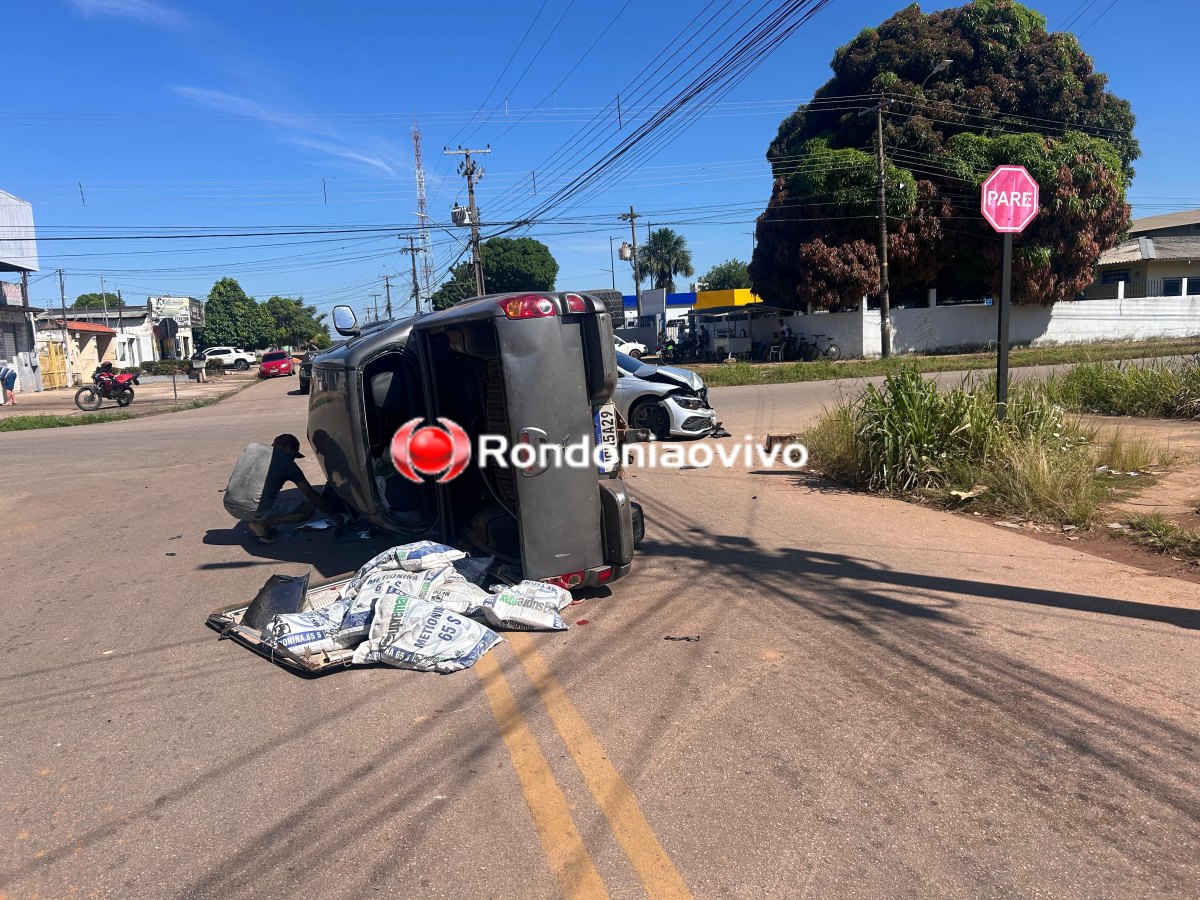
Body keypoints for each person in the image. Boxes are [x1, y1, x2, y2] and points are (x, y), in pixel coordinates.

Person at [223, 433, 335, 544]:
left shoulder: (252, 448)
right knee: (308, 508)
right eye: (294, 454)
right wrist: (334, 515)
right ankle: (262, 524)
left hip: (229, 504)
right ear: (288, 447)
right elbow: (312, 496)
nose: (293, 459)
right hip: (255, 508)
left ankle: (260, 521)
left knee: (270, 492)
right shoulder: (288, 464)